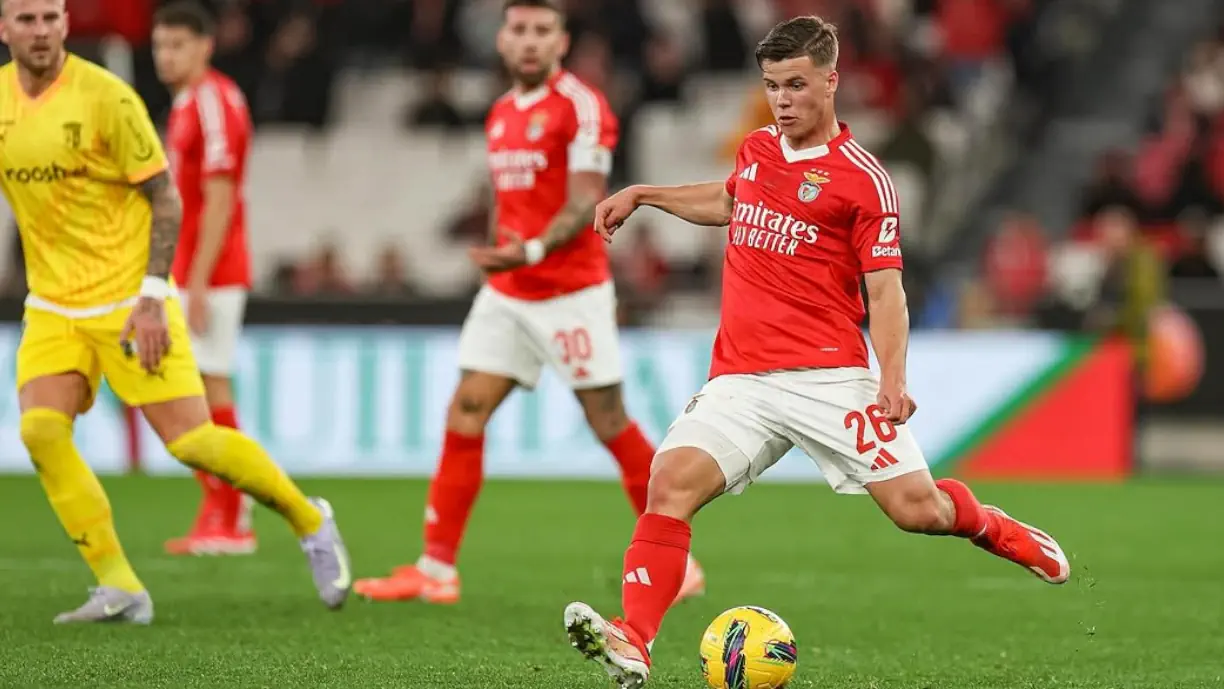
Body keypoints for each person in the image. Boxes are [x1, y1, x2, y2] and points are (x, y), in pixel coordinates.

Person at [561, 16, 1070, 688]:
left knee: (918, 509)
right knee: (669, 482)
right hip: (742, 376)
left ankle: (991, 526)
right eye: (772, 85)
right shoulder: (757, 150)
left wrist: (893, 377)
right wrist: (645, 195)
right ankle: (635, 640)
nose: (782, 98)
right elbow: (729, 200)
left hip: (830, 378)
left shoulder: (863, 181)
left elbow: (885, 292)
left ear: (832, 82)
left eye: (796, 84)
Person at [0, 0, 350, 623]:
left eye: (51, 17)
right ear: (4, 28)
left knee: (191, 440)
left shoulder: (107, 97)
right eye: (26, 19)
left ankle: (307, 517)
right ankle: (119, 585)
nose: (41, 30)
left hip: (128, 298)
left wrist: (157, 294)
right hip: (53, 304)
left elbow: (166, 198)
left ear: (66, 24)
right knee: (40, 431)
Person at [353, 0, 704, 605]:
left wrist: (533, 247)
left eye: (543, 31)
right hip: (509, 294)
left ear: (562, 42)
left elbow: (586, 200)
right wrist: (506, 252)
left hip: (571, 294)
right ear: (501, 40)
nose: (530, 42)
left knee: (610, 423)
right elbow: (510, 205)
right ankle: (436, 571)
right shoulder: (500, 114)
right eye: (519, 30)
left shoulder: (583, 107)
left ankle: (681, 561)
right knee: (466, 410)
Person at [153, 1, 257, 557]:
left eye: (177, 46)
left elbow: (220, 198)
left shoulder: (214, 102)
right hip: (192, 269)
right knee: (193, 391)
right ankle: (220, 507)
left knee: (207, 388)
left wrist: (194, 282)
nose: (166, 57)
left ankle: (233, 513)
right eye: (160, 46)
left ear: (205, 46)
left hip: (211, 273)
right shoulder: (190, 102)